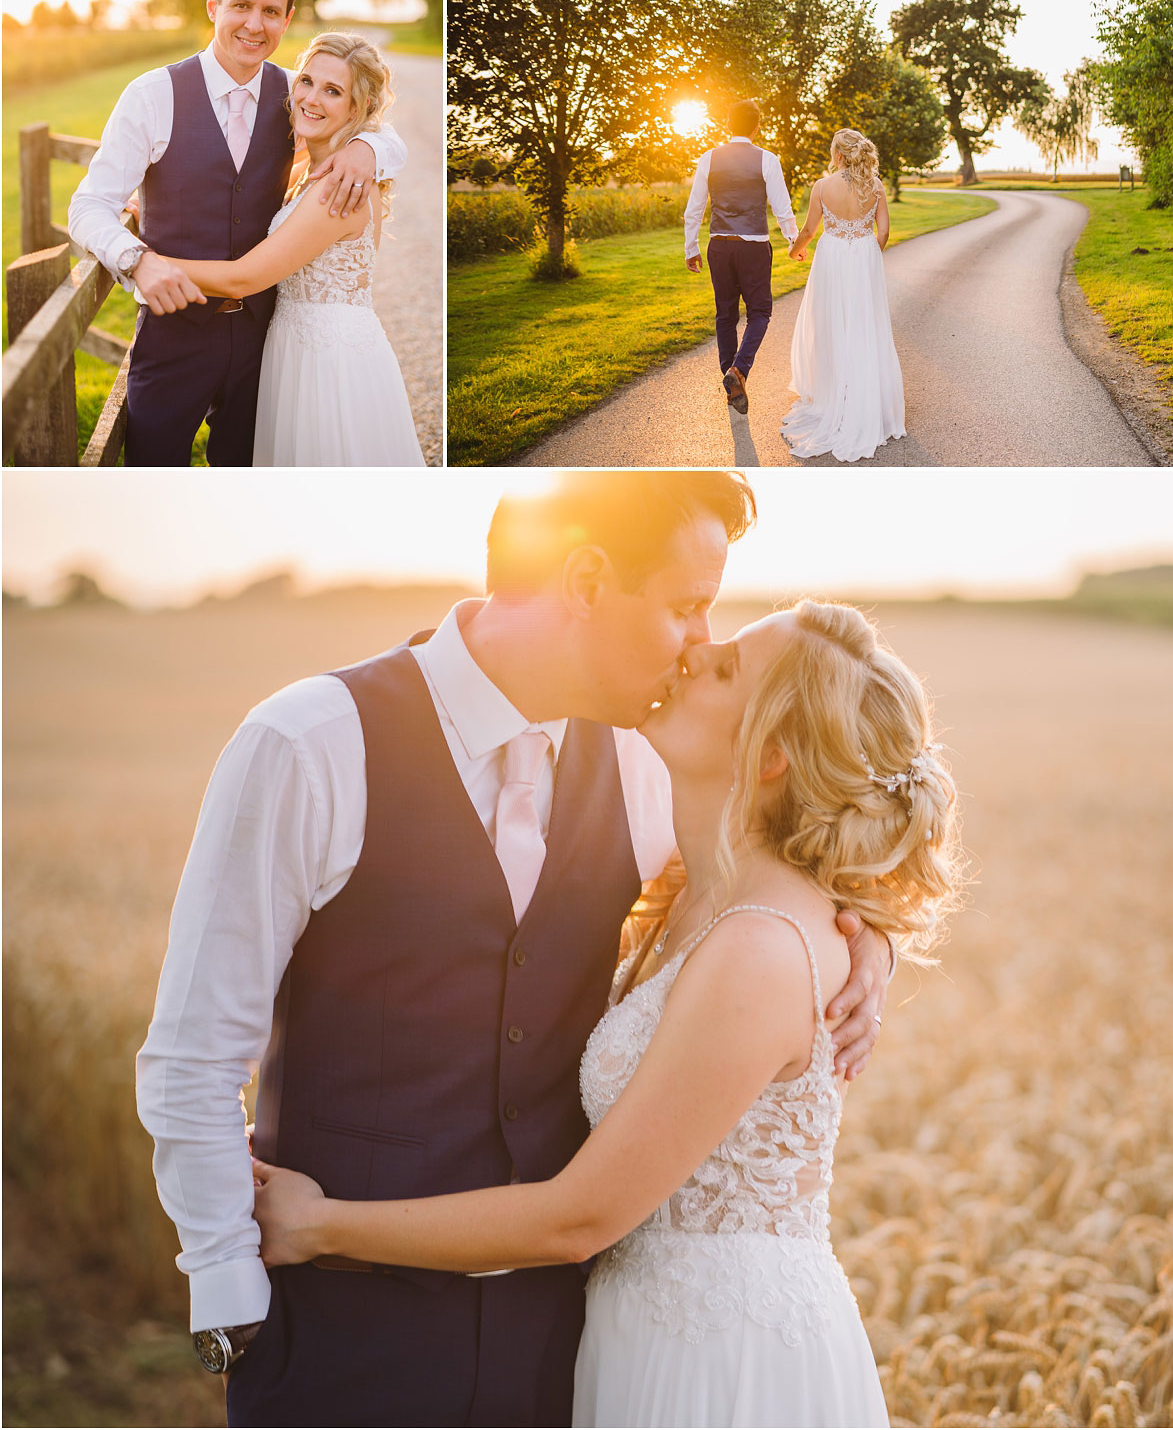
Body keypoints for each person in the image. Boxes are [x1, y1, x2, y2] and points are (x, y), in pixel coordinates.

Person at [135, 471, 893, 1427]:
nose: (702, 640)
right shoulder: (310, 744)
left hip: (564, 1357)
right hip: (338, 1345)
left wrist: (869, 944)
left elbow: (779, 877)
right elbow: (195, 1056)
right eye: (686, 607)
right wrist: (230, 1306)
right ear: (583, 582)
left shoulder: (642, 763)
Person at [251, 598, 961, 1428]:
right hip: (641, 1338)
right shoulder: (694, 893)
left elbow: (579, 1217)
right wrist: (873, 936)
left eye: (727, 665)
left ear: (770, 755)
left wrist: (319, 1227)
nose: (695, 649)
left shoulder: (758, 948)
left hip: (720, 1365)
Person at [68, 0, 407, 466]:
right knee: (152, 477)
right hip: (174, 339)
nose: (254, 24)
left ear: (288, 18)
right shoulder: (152, 95)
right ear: (213, 6)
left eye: (271, 11)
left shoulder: (296, 92)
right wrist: (138, 262)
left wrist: (370, 147)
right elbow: (89, 205)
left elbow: (371, 119)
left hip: (264, 343)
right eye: (241, 6)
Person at [156, 33, 425, 467]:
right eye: (307, 82)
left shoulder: (337, 189)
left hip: (328, 363)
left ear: (357, 109)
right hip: (295, 347)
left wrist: (145, 260)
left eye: (333, 91)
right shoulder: (313, 166)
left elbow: (244, 278)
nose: (311, 99)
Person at [782, 128, 906, 463]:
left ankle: (833, 392)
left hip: (832, 257)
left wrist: (796, 252)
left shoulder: (822, 187)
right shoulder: (876, 187)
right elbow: (884, 231)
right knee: (865, 324)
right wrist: (868, 253)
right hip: (863, 257)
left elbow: (809, 230)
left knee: (831, 323)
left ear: (838, 155)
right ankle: (863, 396)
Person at [683, 98, 799, 416]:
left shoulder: (708, 158)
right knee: (760, 312)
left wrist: (690, 247)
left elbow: (694, 207)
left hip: (719, 245)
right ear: (757, 126)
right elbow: (781, 206)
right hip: (753, 247)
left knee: (725, 315)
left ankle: (732, 384)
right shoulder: (767, 159)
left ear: (727, 124)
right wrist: (794, 240)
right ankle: (739, 370)